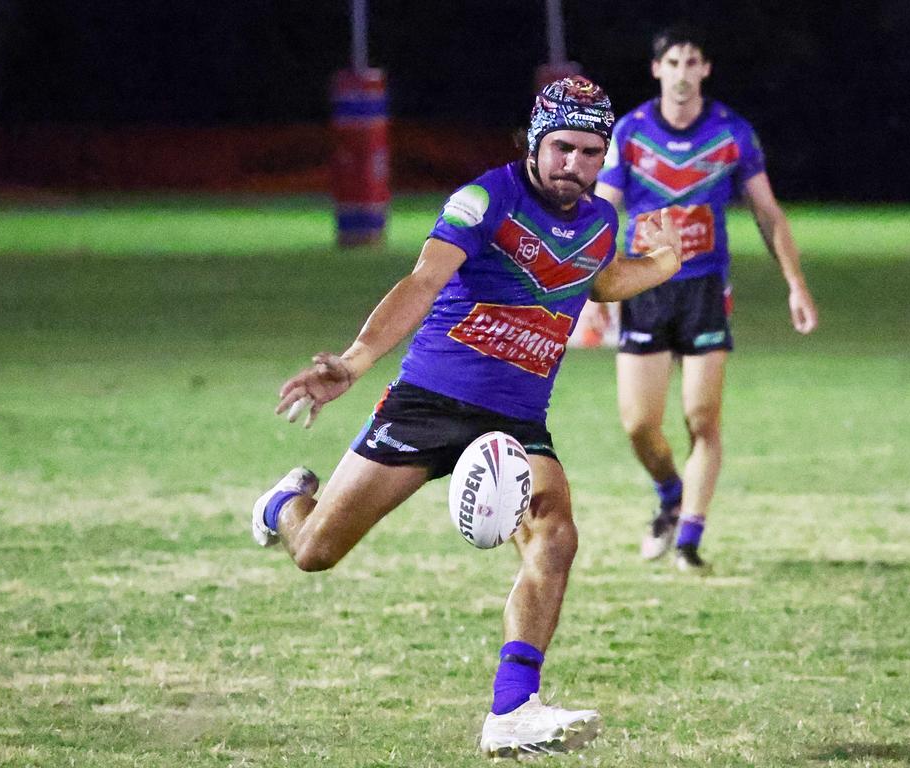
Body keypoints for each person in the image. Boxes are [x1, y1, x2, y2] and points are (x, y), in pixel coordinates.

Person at [249, 76, 689, 759]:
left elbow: (599, 279)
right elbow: (422, 282)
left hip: (517, 420)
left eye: (591, 153)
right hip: (429, 402)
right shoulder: (486, 198)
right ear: (535, 141)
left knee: (556, 537)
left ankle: (511, 711)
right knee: (315, 554)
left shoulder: (599, 222)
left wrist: (661, 263)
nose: (575, 166)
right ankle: (284, 504)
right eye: (563, 149)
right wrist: (356, 360)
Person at [593, 25, 819, 573]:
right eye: (673, 61)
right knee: (639, 424)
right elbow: (602, 211)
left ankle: (690, 538)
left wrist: (796, 283)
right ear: (657, 70)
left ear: (705, 70)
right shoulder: (630, 133)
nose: (682, 71)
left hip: (704, 291)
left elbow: (767, 212)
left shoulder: (732, 133)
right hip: (642, 285)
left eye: (692, 61)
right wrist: (592, 285)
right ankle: (670, 493)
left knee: (701, 417)